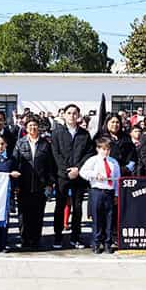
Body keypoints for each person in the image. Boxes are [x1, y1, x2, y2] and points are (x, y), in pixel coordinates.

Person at [51, 104, 92, 249]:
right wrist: (66, 170)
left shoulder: (84, 135)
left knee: (78, 207)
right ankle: (57, 237)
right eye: (69, 113)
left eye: (75, 113)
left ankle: (76, 237)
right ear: (64, 115)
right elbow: (55, 153)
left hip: (79, 176)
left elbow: (89, 154)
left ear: (79, 116)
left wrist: (78, 169)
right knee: (60, 206)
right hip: (62, 176)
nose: (72, 116)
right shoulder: (56, 133)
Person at [13, 115, 55, 252]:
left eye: (35, 125)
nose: (33, 128)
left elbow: (50, 166)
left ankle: (36, 240)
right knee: (23, 215)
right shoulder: (20, 143)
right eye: (30, 125)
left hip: (40, 185)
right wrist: (16, 184)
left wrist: (49, 184)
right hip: (23, 185)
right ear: (26, 128)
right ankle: (25, 240)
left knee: (37, 215)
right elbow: (15, 163)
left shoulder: (45, 144)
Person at [78, 133, 120, 254]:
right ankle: (96, 242)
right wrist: (94, 175)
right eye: (103, 149)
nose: (105, 152)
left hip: (109, 192)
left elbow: (117, 179)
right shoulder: (93, 160)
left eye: (107, 149)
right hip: (97, 191)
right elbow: (83, 172)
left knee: (109, 218)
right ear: (98, 149)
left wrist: (116, 194)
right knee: (97, 218)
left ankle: (107, 242)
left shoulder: (114, 162)